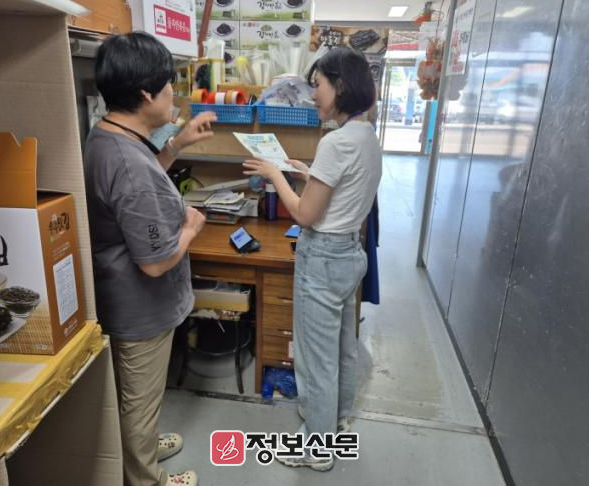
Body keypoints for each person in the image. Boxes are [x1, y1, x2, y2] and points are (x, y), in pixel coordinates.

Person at [84, 32, 216, 486]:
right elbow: (155, 263)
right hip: (139, 309)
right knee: (138, 404)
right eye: (167, 86)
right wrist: (190, 229)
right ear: (146, 95)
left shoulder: (107, 136)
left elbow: (134, 187)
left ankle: (140, 447)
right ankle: (147, 478)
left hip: (121, 297)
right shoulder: (130, 165)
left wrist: (176, 145)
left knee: (135, 399)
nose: (173, 93)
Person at [243, 46, 382, 472]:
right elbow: (345, 187)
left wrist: (274, 175)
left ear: (340, 85)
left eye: (318, 85)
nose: (313, 95)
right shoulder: (366, 135)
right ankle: (335, 418)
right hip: (349, 254)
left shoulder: (335, 142)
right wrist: (308, 174)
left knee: (314, 360)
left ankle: (317, 451)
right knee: (341, 348)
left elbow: (305, 215)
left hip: (322, 258)